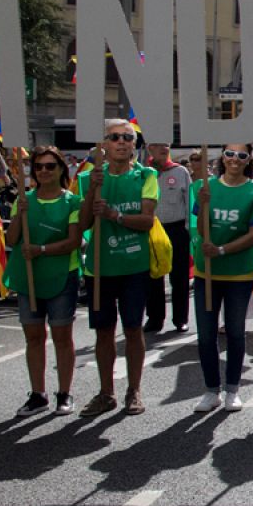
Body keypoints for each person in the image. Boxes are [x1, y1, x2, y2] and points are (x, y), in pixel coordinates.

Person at [78, 120, 159, 417]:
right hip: (100, 267)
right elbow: (83, 224)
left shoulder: (146, 176)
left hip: (134, 266)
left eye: (129, 137)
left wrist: (114, 215)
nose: (123, 142)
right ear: (104, 144)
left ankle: (134, 390)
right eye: (115, 137)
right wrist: (93, 192)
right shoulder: (88, 179)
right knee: (103, 332)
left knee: (133, 328)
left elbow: (147, 221)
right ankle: (105, 392)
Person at [191, 143, 253, 412]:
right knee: (206, 335)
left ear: (249, 159)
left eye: (241, 155)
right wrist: (204, 207)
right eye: (229, 154)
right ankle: (211, 390)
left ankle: (232, 389)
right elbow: (198, 228)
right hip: (207, 273)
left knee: (235, 332)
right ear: (222, 157)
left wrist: (222, 249)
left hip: (239, 274)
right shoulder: (204, 189)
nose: (234, 159)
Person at [4, 146, 83, 416]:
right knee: (34, 337)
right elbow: (11, 239)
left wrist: (42, 250)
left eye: (50, 166)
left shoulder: (72, 202)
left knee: (62, 337)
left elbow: (73, 241)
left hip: (62, 277)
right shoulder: (24, 200)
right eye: (39, 166)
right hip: (30, 279)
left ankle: (65, 393)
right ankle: (38, 394)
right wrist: (19, 213)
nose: (44, 171)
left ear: (61, 168)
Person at [143, 141, 192, 335]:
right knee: (153, 276)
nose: (164, 149)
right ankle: (154, 318)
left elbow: (189, 201)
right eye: (158, 145)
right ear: (150, 149)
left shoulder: (180, 172)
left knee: (179, 277)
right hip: (153, 229)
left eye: (167, 145)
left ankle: (180, 319)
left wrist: (188, 230)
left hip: (177, 229)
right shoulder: (144, 173)